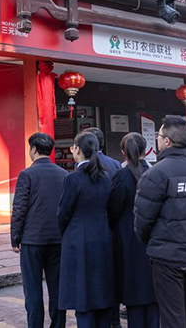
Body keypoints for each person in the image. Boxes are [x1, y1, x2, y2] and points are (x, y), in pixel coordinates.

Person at [134, 115, 186, 328]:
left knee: (172, 315)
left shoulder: (156, 174)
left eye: (158, 135)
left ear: (166, 141)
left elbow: (142, 220)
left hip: (167, 256)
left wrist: (153, 243)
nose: (157, 139)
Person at [11, 133, 69, 328]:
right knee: (57, 287)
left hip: (32, 240)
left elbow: (19, 209)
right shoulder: (64, 174)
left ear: (34, 149)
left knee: (33, 289)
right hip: (58, 239)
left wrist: (15, 237)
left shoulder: (27, 174)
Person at [58, 131, 114, 328]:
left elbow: (63, 213)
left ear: (78, 150)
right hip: (103, 237)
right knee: (101, 291)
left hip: (78, 239)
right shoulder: (106, 177)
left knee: (82, 294)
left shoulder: (73, 179)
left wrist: (67, 233)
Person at [108, 133, 158, 328]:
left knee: (133, 296)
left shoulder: (121, 176)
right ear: (145, 150)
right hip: (153, 238)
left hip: (127, 239)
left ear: (124, 152)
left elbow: (113, 210)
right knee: (153, 297)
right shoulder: (155, 173)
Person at [81, 127, 122, 328]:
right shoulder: (115, 164)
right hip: (112, 228)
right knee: (111, 274)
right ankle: (113, 319)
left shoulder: (84, 167)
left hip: (90, 231)